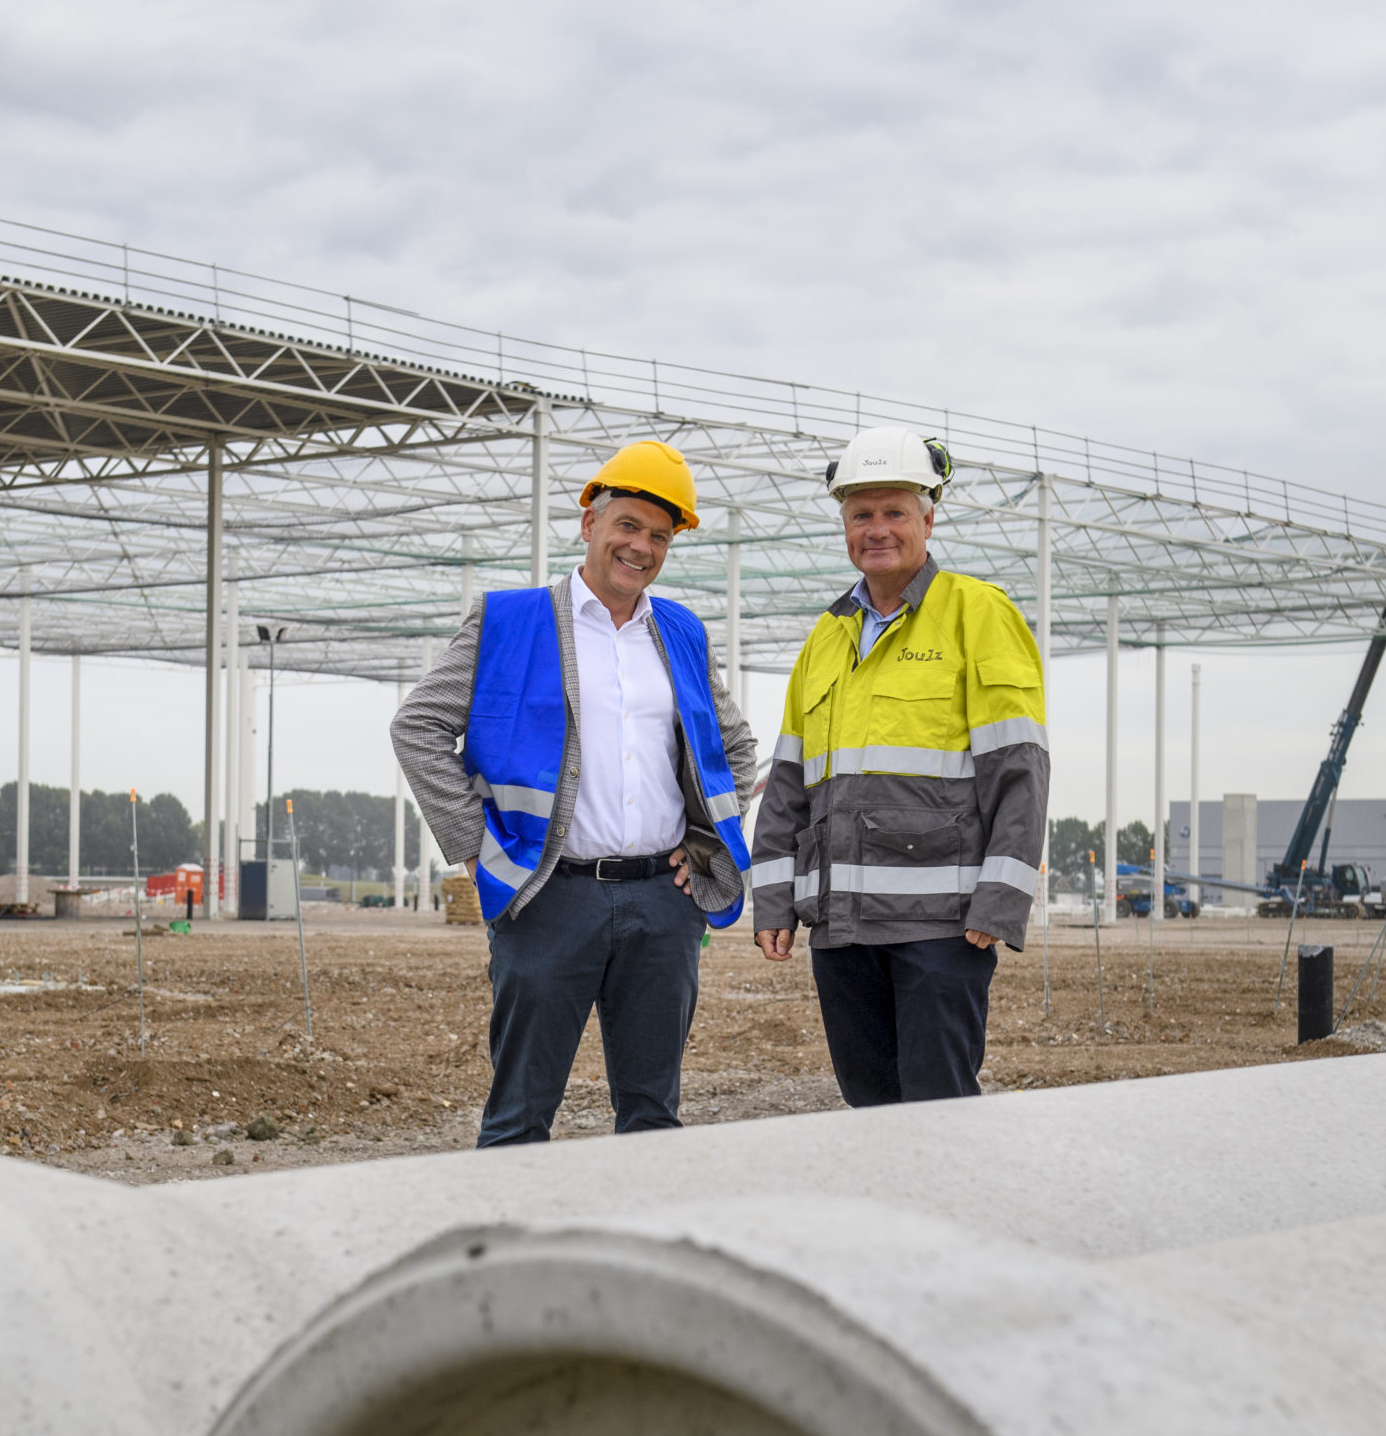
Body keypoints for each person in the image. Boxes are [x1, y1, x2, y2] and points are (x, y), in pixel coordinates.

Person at [393, 440, 758, 1147]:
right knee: (519, 1118)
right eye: (628, 525)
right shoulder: (510, 622)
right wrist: (475, 850)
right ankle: (504, 1254)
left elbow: (735, 748)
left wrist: (705, 843)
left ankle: (642, 1252)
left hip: (663, 903)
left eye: (660, 535)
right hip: (547, 899)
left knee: (654, 1119)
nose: (641, 546)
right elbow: (418, 728)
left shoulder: (678, 631)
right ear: (589, 521)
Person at [749, 427, 1048, 1106]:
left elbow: (1020, 771)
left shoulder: (978, 613)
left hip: (940, 928)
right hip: (842, 929)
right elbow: (788, 788)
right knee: (870, 1108)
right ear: (845, 524)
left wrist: (1000, 900)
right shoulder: (827, 637)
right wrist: (773, 899)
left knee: (937, 1107)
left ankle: (947, 1215)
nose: (876, 529)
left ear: (927, 519)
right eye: (861, 514)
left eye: (894, 512)